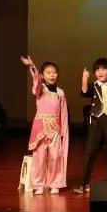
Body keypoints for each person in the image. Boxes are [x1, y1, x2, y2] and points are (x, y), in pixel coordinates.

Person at [20, 55, 69, 195]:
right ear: (42, 75)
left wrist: (63, 131)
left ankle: (55, 183)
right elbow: (36, 81)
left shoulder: (60, 93)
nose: (52, 75)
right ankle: (38, 184)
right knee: (39, 157)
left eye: (54, 72)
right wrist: (32, 66)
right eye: (48, 72)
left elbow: (63, 113)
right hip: (40, 128)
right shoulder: (40, 89)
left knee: (55, 157)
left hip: (55, 129)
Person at [75, 58, 107, 194]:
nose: (100, 72)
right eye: (97, 70)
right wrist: (84, 79)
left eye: (103, 69)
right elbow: (84, 92)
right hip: (96, 122)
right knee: (90, 152)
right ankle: (84, 183)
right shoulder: (94, 86)